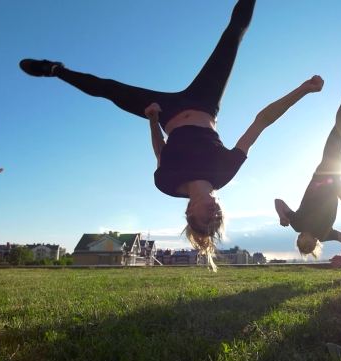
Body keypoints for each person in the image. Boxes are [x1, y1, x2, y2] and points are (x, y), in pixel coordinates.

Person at [19, 0, 323, 270]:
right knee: (233, 36)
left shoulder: (166, 184)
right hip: (205, 101)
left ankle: (55, 69)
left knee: (108, 89)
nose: (214, 215)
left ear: (189, 212)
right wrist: (303, 91)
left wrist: (152, 118)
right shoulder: (224, 173)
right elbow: (261, 122)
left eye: (206, 220)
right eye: (217, 221)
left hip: (165, 112)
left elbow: (160, 150)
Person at [274, 73, 341, 279]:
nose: (303, 242)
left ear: (298, 239)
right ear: (314, 244)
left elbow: (278, 201)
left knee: (339, 129)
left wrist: (282, 216)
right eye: (307, 247)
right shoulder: (325, 235)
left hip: (326, 172)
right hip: (340, 181)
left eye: (300, 245)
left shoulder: (297, 223)